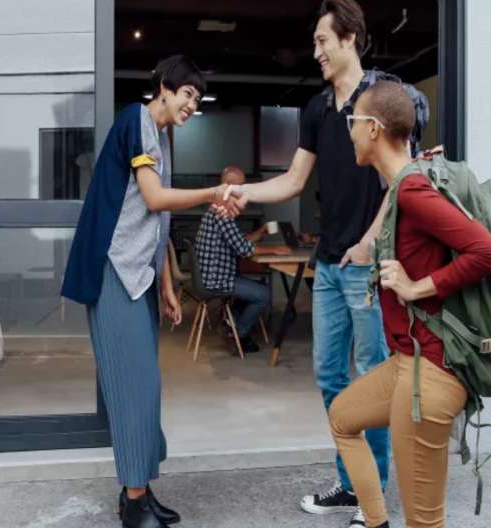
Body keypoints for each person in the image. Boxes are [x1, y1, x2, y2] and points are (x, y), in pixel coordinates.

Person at [223, 1, 428, 525]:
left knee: (372, 382)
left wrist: (367, 241)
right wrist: (244, 192)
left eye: (322, 41)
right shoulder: (317, 110)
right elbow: (293, 181)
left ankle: (373, 495)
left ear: (350, 39)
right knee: (331, 377)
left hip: (364, 264)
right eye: (314, 43)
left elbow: (402, 180)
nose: (314, 51)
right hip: (330, 265)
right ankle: (350, 481)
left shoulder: (380, 99)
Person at [60, 55, 243, 528]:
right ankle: (134, 502)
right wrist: (212, 193)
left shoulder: (161, 137)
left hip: (139, 276)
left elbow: (155, 220)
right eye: (187, 95)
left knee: (147, 387)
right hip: (113, 270)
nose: (191, 105)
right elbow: (157, 198)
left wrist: (167, 284)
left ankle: (139, 491)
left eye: (197, 100)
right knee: (132, 385)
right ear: (164, 86)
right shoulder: (135, 122)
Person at [327, 81, 491, 528]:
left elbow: (488, 254)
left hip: (431, 378)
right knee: (344, 417)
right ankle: (375, 521)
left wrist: (416, 286)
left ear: (372, 128)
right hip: (410, 363)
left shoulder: (413, 191)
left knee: (425, 522)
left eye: (352, 123)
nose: (348, 132)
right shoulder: (403, 184)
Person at [194, 166, 291, 353]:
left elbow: (239, 241)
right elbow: (244, 249)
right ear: (227, 186)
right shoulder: (222, 214)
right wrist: (275, 250)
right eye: (239, 186)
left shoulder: (217, 209)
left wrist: (260, 233)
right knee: (263, 294)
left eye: (242, 186)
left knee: (253, 289)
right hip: (217, 281)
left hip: (214, 278)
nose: (242, 192)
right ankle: (238, 333)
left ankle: (231, 324)